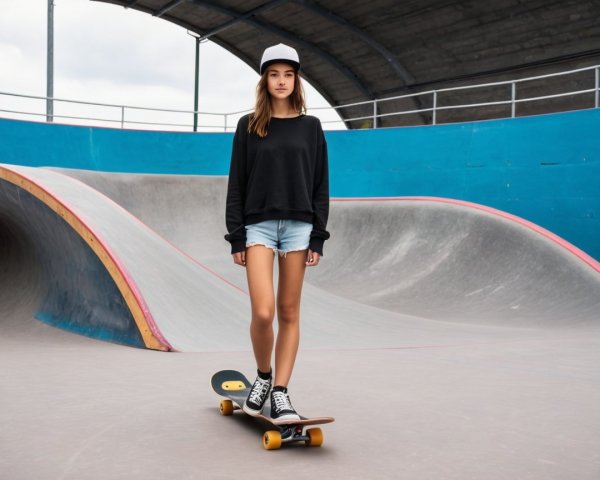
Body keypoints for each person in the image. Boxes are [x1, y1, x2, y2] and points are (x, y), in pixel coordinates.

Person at [224, 43, 330, 423]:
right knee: (264, 312)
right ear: (264, 79)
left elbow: (320, 185)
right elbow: (236, 182)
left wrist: (318, 235)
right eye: (274, 74)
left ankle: (281, 392)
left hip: (300, 229)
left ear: (296, 79)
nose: (281, 81)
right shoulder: (249, 125)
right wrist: (236, 235)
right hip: (259, 228)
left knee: (288, 311)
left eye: (288, 74)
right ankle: (263, 377)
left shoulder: (312, 127)